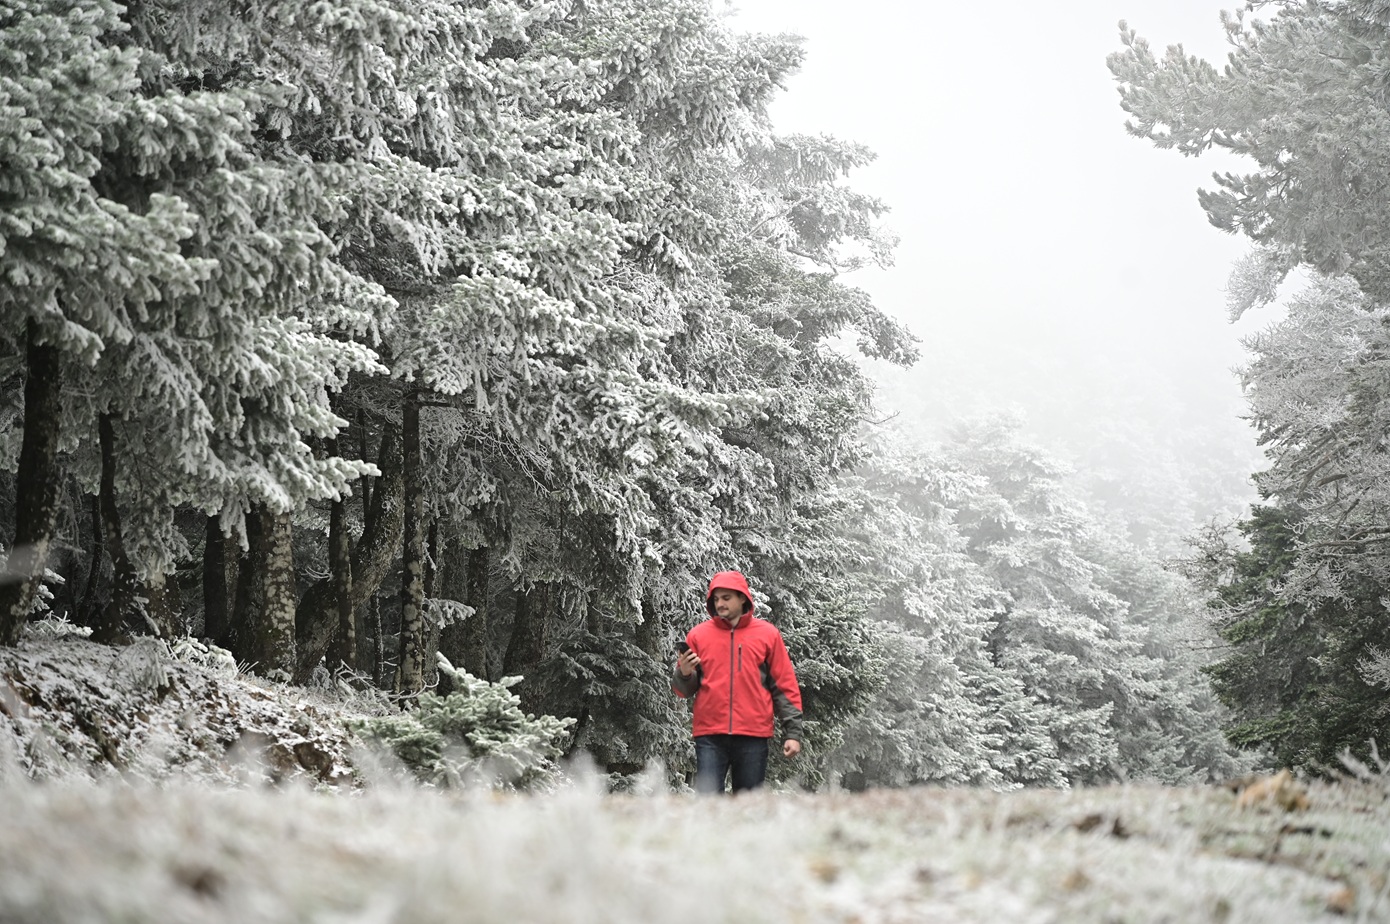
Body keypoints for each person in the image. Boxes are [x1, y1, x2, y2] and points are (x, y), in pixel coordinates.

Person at [672, 570, 803, 794]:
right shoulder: (698, 635)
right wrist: (684, 673)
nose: (720, 604)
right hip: (710, 735)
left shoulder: (767, 635)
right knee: (708, 805)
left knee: (749, 807)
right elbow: (683, 691)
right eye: (716, 599)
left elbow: (784, 685)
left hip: (753, 735)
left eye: (726, 598)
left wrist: (793, 733)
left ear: (743, 597)